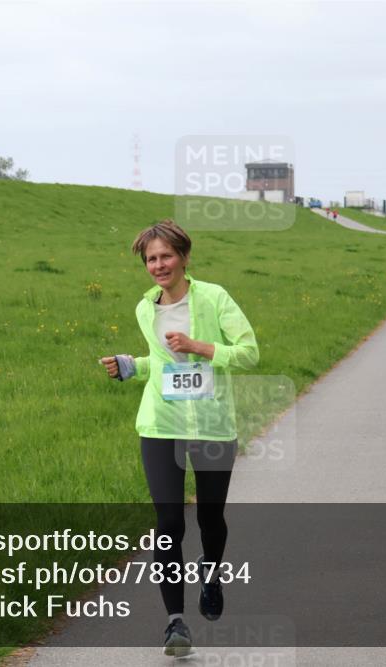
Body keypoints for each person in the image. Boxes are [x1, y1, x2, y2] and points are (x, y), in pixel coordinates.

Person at [100, 220, 259, 657]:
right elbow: (160, 363)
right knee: (168, 525)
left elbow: (249, 353)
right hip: (160, 423)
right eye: (150, 258)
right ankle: (174, 624)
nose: (158, 265)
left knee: (210, 519)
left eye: (165, 256)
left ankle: (211, 575)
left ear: (184, 257)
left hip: (211, 426)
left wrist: (201, 347)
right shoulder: (144, 307)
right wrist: (130, 365)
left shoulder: (214, 297)